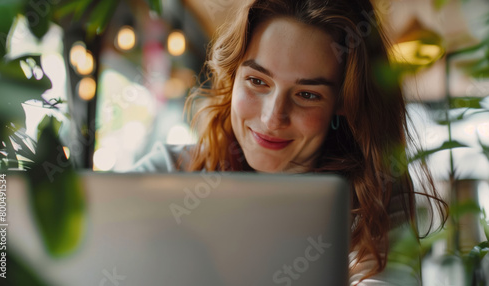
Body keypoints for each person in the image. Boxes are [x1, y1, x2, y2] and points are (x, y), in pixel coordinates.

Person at [133, 0, 447, 284]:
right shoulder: (167, 172)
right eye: (257, 81)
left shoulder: (375, 194)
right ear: (232, 76)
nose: (272, 118)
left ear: (343, 103)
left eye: (307, 95)